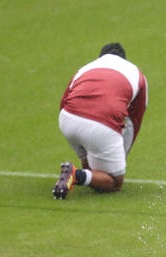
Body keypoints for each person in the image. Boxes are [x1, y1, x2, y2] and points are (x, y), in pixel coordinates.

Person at [53, 43, 148, 199]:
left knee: (93, 171)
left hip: (67, 119)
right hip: (101, 126)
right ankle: (76, 174)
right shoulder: (138, 74)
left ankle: (83, 173)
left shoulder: (85, 68)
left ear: (101, 57)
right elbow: (133, 121)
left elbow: (63, 102)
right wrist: (121, 155)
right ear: (124, 58)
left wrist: (81, 150)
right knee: (114, 183)